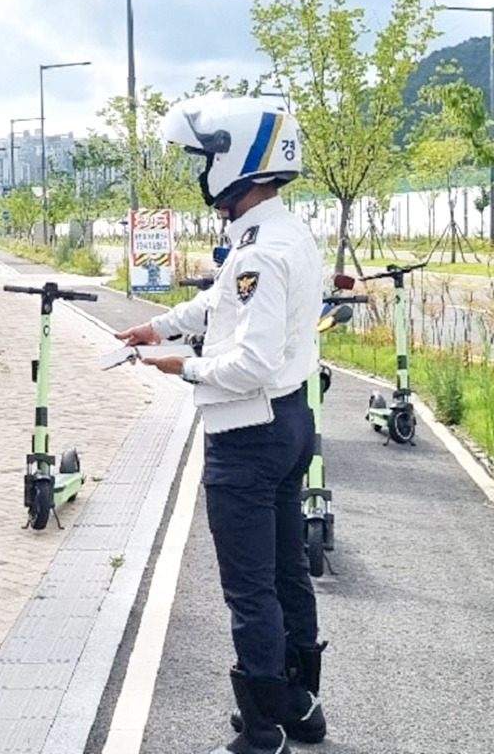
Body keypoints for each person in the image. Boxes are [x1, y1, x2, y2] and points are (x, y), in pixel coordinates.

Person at [116, 95, 326, 754]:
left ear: (239, 160)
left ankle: (263, 732)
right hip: (290, 423)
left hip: (249, 431)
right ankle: (298, 704)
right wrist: (160, 324)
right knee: (287, 572)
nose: (200, 171)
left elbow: (250, 362)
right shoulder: (278, 233)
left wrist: (182, 367)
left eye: (205, 157)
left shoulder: (260, 251)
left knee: (250, 589)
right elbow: (219, 301)